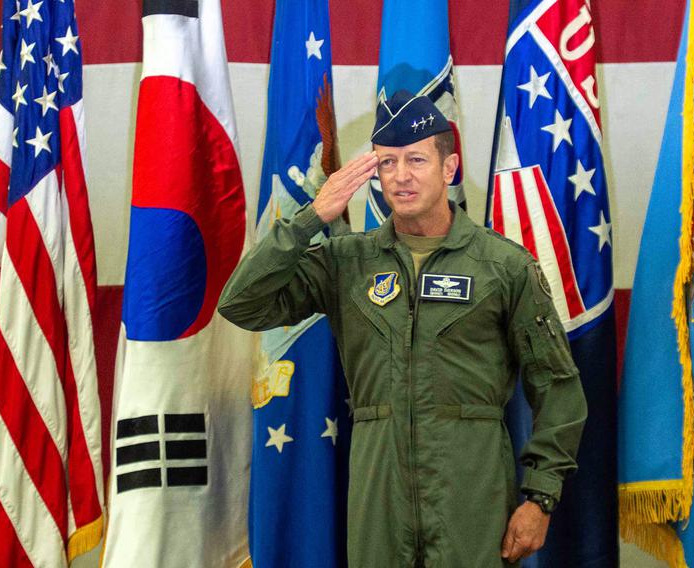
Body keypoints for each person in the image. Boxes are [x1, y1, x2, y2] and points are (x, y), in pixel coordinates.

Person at [218, 90, 587, 567]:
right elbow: (241, 304)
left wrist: (541, 498)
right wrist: (312, 218)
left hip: (470, 495)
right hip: (379, 497)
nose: (401, 176)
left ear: (449, 168)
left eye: (415, 160)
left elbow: (558, 388)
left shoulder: (502, 267)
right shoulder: (346, 263)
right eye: (387, 163)